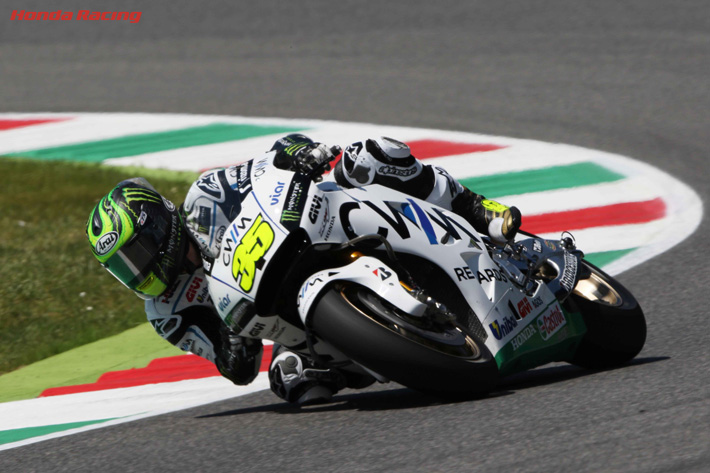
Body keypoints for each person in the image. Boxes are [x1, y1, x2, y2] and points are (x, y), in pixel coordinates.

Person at [86, 134, 521, 405]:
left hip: (316, 230)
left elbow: (268, 163)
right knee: (290, 379)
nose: (138, 271)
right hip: (289, 315)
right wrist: (230, 331)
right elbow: (236, 367)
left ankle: (473, 206)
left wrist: (298, 154)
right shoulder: (168, 312)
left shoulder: (206, 196)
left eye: (137, 254)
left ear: (158, 224)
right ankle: (397, 349)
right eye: (123, 268)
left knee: (367, 157)